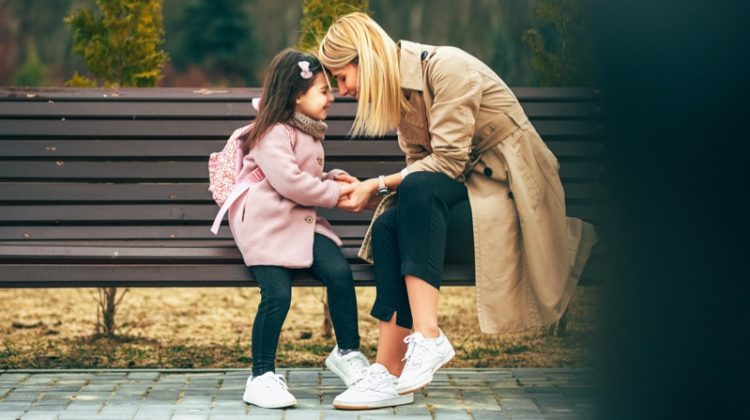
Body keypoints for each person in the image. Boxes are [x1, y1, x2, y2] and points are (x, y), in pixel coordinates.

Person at [318, 13, 598, 410]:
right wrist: (380, 190)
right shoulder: (404, 95)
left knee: (413, 190)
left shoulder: (448, 68)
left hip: (512, 195)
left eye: (342, 77)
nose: (342, 90)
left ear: (365, 58)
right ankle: (387, 369)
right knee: (387, 227)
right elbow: (423, 166)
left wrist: (375, 184)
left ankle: (429, 338)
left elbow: (445, 164)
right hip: (470, 198)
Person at [221, 48, 369, 409]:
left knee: (338, 271)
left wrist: (332, 178)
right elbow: (291, 182)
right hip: (266, 224)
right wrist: (334, 194)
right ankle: (261, 376)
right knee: (277, 294)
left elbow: (305, 178)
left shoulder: (308, 129)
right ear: (296, 96)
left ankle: (347, 351)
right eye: (323, 90)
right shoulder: (272, 132)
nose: (331, 98)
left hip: (299, 220)